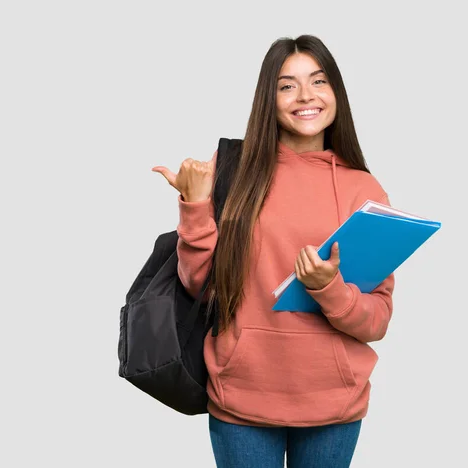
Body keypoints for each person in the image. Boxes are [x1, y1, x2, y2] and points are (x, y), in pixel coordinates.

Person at [152, 34, 395, 468]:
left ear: (336, 91)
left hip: (332, 404)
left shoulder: (365, 190)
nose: (306, 96)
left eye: (318, 81)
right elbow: (197, 284)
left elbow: (376, 320)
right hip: (242, 395)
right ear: (269, 98)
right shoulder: (234, 171)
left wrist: (330, 290)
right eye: (287, 85)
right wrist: (195, 207)